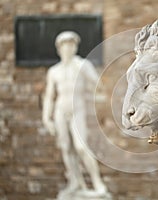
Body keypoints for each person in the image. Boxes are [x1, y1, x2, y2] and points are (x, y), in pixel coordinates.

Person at [43, 31, 109, 198]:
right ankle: (75, 182)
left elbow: (97, 84)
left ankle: (97, 183)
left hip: (77, 109)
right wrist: (46, 117)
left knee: (81, 147)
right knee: (66, 148)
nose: (68, 49)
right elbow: (49, 97)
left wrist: (95, 96)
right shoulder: (54, 71)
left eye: (71, 45)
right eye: (65, 46)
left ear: (75, 47)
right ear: (59, 49)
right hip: (60, 111)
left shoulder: (82, 65)